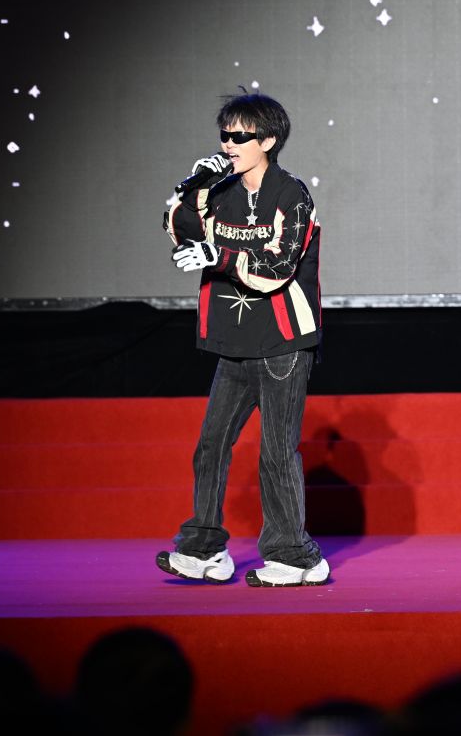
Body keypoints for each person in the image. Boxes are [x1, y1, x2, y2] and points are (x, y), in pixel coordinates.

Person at [156, 88, 329, 588]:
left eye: (240, 136)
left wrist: (219, 256)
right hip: (233, 342)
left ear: (268, 141)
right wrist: (196, 185)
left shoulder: (291, 194)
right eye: (224, 135)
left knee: (275, 452)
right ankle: (205, 549)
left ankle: (295, 556)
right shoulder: (221, 191)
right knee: (211, 445)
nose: (228, 144)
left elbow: (278, 266)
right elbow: (179, 230)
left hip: (283, 342)